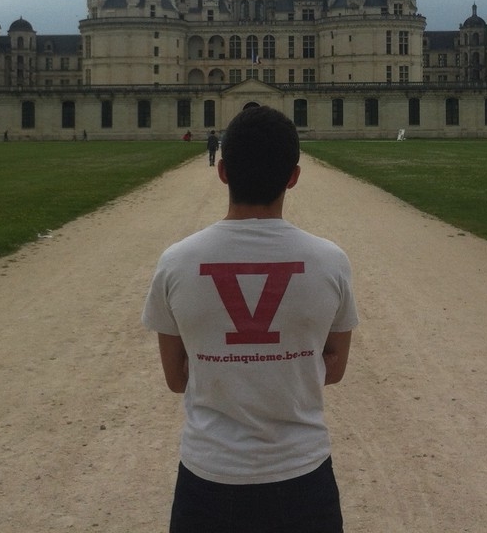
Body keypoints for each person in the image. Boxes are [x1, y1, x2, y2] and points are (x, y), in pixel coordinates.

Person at [142, 106, 358, 533]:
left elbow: (176, 377)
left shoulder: (177, 262)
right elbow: (334, 369)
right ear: (293, 176)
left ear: (222, 171)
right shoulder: (330, 261)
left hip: (208, 476)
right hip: (302, 474)